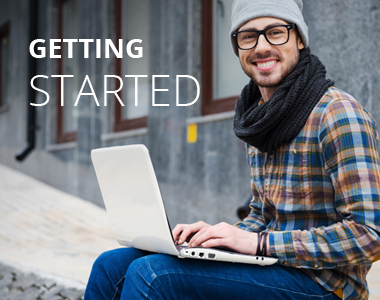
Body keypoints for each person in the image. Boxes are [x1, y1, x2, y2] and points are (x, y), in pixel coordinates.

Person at [84, 0, 380, 299]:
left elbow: (370, 235)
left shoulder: (338, 114)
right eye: (248, 36)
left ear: (300, 39)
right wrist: (216, 237)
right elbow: (263, 216)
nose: (261, 47)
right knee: (112, 264)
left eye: (276, 32)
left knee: (153, 275)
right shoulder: (261, 118)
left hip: (326, 286)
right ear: (237, 47)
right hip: (274, 267)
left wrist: (258, 244)